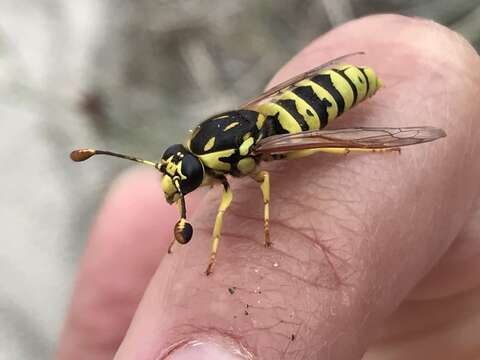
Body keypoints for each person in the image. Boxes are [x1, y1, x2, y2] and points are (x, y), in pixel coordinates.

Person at [56, 14, 480, 360]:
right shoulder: (206, 153)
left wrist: (241, 237)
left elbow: (248, 191)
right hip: (297, 98)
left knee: (325, 149)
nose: (174, 186)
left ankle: (370, 148)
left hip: (309, 111)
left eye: (179, 178)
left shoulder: (236, 166)